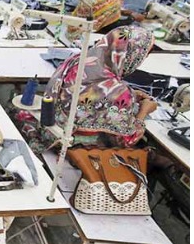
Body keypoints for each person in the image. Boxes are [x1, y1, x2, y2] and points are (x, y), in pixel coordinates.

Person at [22, 26, 157, 153]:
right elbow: (127, 140)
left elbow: (90, 90)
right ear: (131, 55)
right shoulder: (117, 91)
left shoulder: (77, 60)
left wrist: (131, 94)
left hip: (48, 131)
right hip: (72, 148)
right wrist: (145, 110)